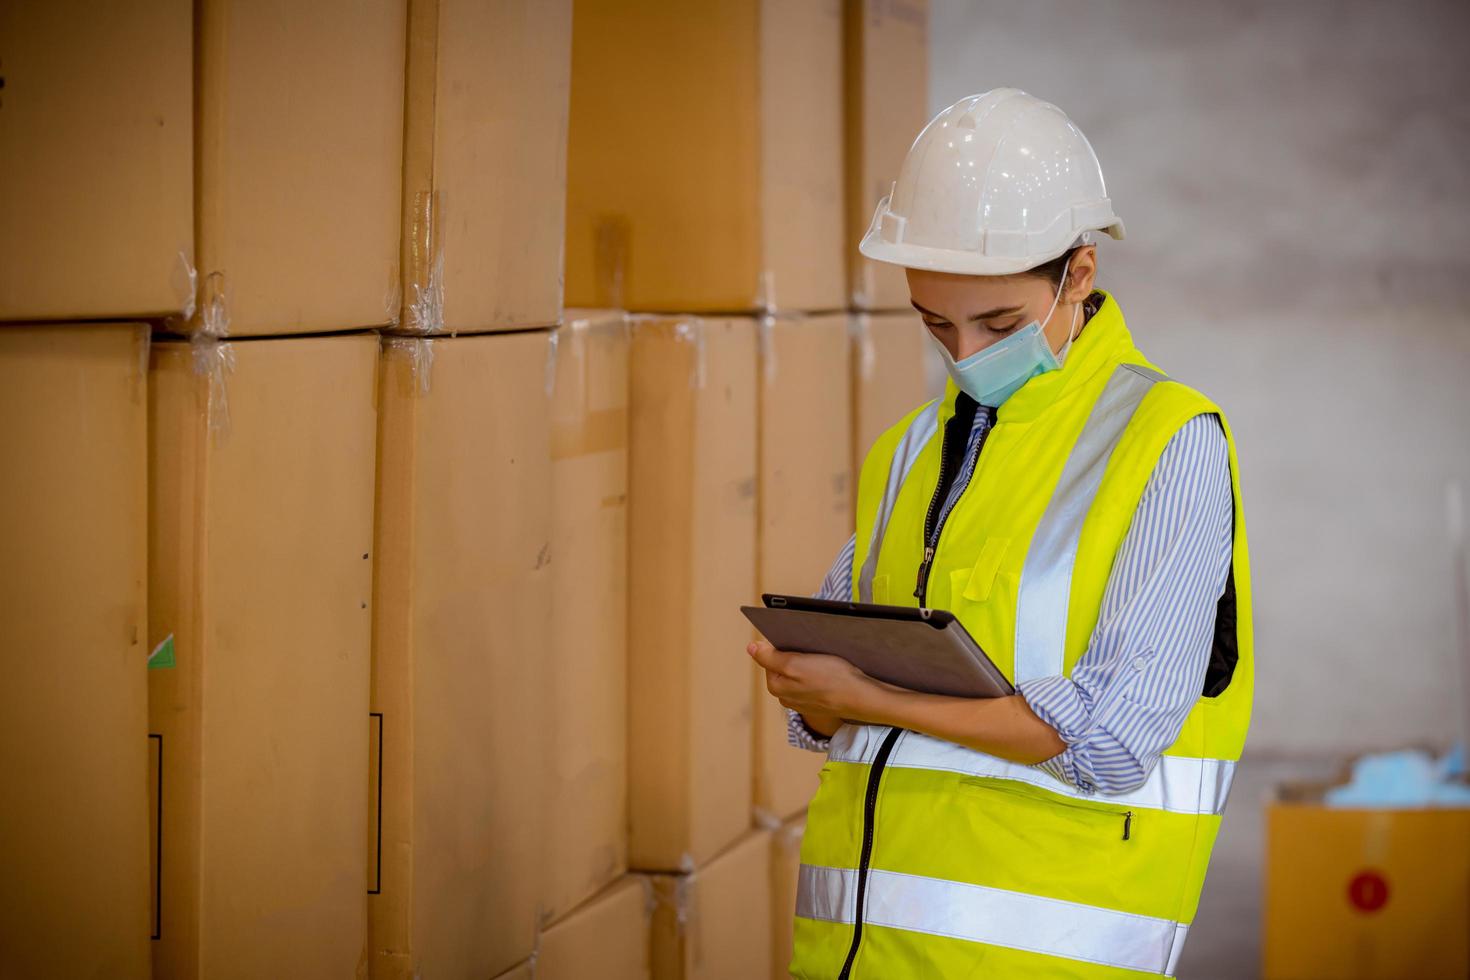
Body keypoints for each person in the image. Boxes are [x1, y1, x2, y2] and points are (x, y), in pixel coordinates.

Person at [748, 88, 1253, 978]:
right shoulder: (909, 450)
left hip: (1040, 953)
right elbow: (839, 690)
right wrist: (812, 690)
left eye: (999, 324)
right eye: (937, 324)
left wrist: (869, 700)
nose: (968, 354)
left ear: (1079, 276)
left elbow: (1112, 737)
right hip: (856, 952)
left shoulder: (1167, 443)